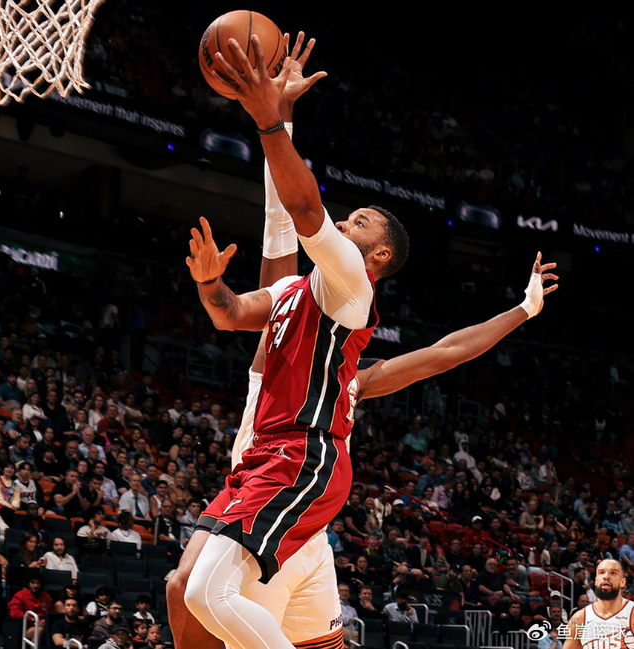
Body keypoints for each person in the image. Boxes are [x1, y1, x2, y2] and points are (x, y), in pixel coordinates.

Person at [170, 35, 558, 649]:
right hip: (273, 485)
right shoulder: (303, 308)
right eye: (347, 218)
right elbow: (240, 298)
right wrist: (211, 283)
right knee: (197, 594)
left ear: (376, 254)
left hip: (297, 477)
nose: (345, 220)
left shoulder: (351, 284)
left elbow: (298, 214)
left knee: (196, 593)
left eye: (359, 221)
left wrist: (272, 115)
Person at [562, 559, 634, 649]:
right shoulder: (579, 618)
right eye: (601, 573)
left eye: (613, 573)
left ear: (622, 582)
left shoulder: (632, 612)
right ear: (596, 581)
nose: (606, 576)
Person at [9, 573, 54, 639]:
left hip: (45, 626)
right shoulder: (20, 595)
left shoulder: (46, 596)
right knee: (38, 631)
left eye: (38, 583)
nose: (35, 585)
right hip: (27, 627)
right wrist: (32, 619)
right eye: (33, 583)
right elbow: (14, 613)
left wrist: (45, 620)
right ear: (28, 584)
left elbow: (51, 612)